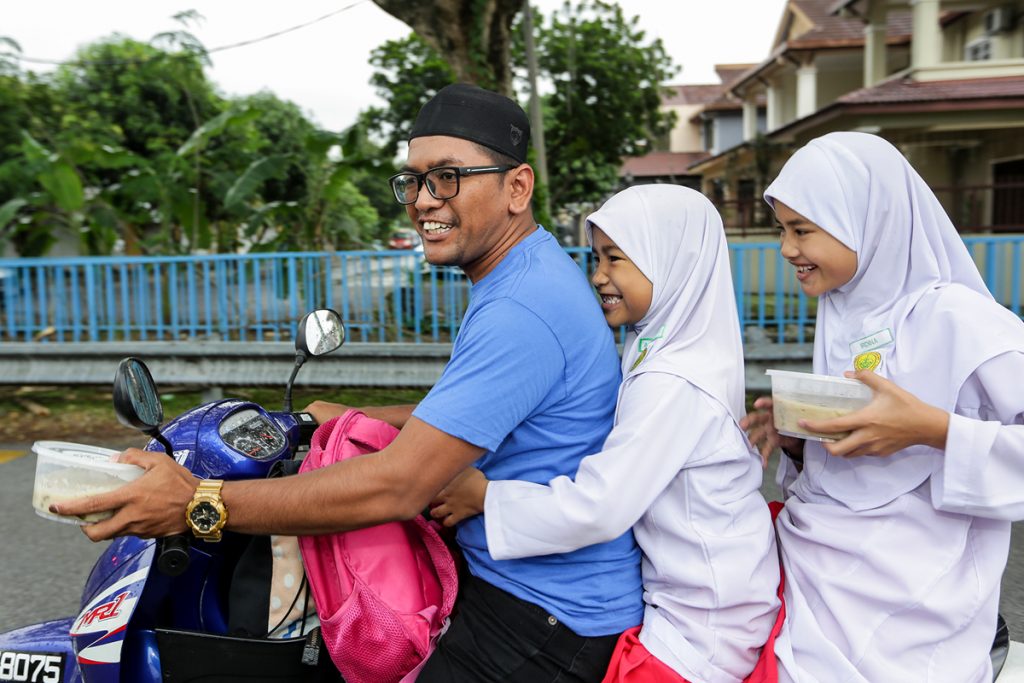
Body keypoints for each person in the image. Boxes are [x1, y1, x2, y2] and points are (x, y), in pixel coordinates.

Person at [55, 83, 644, 682]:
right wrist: (355, 417)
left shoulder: (522, 306)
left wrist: (199, 503)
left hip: (543, 620)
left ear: (517, 187)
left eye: (447, 177)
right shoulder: (528, 272)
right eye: (413, 180)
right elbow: (486, 409)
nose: (422, 200)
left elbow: (396, 488)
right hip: (523, 584)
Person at [431, 185, 783, 683]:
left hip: (701, 623)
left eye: (616, 259)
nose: (597, 276)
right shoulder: (670, 346)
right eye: (596, 258)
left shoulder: (672, 381)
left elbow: (601, 506)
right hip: (702, 597)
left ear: (669, 262)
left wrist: (486, 497)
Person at [740, 131, 1024, 683]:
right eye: (783, 229)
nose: (786, 249)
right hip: (819, 564)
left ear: (867, 223)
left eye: (802, 230)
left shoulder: (962, 321)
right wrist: (803, 436)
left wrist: (932, 429)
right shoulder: (842, 313)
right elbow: (852, 472)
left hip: (915, 594)